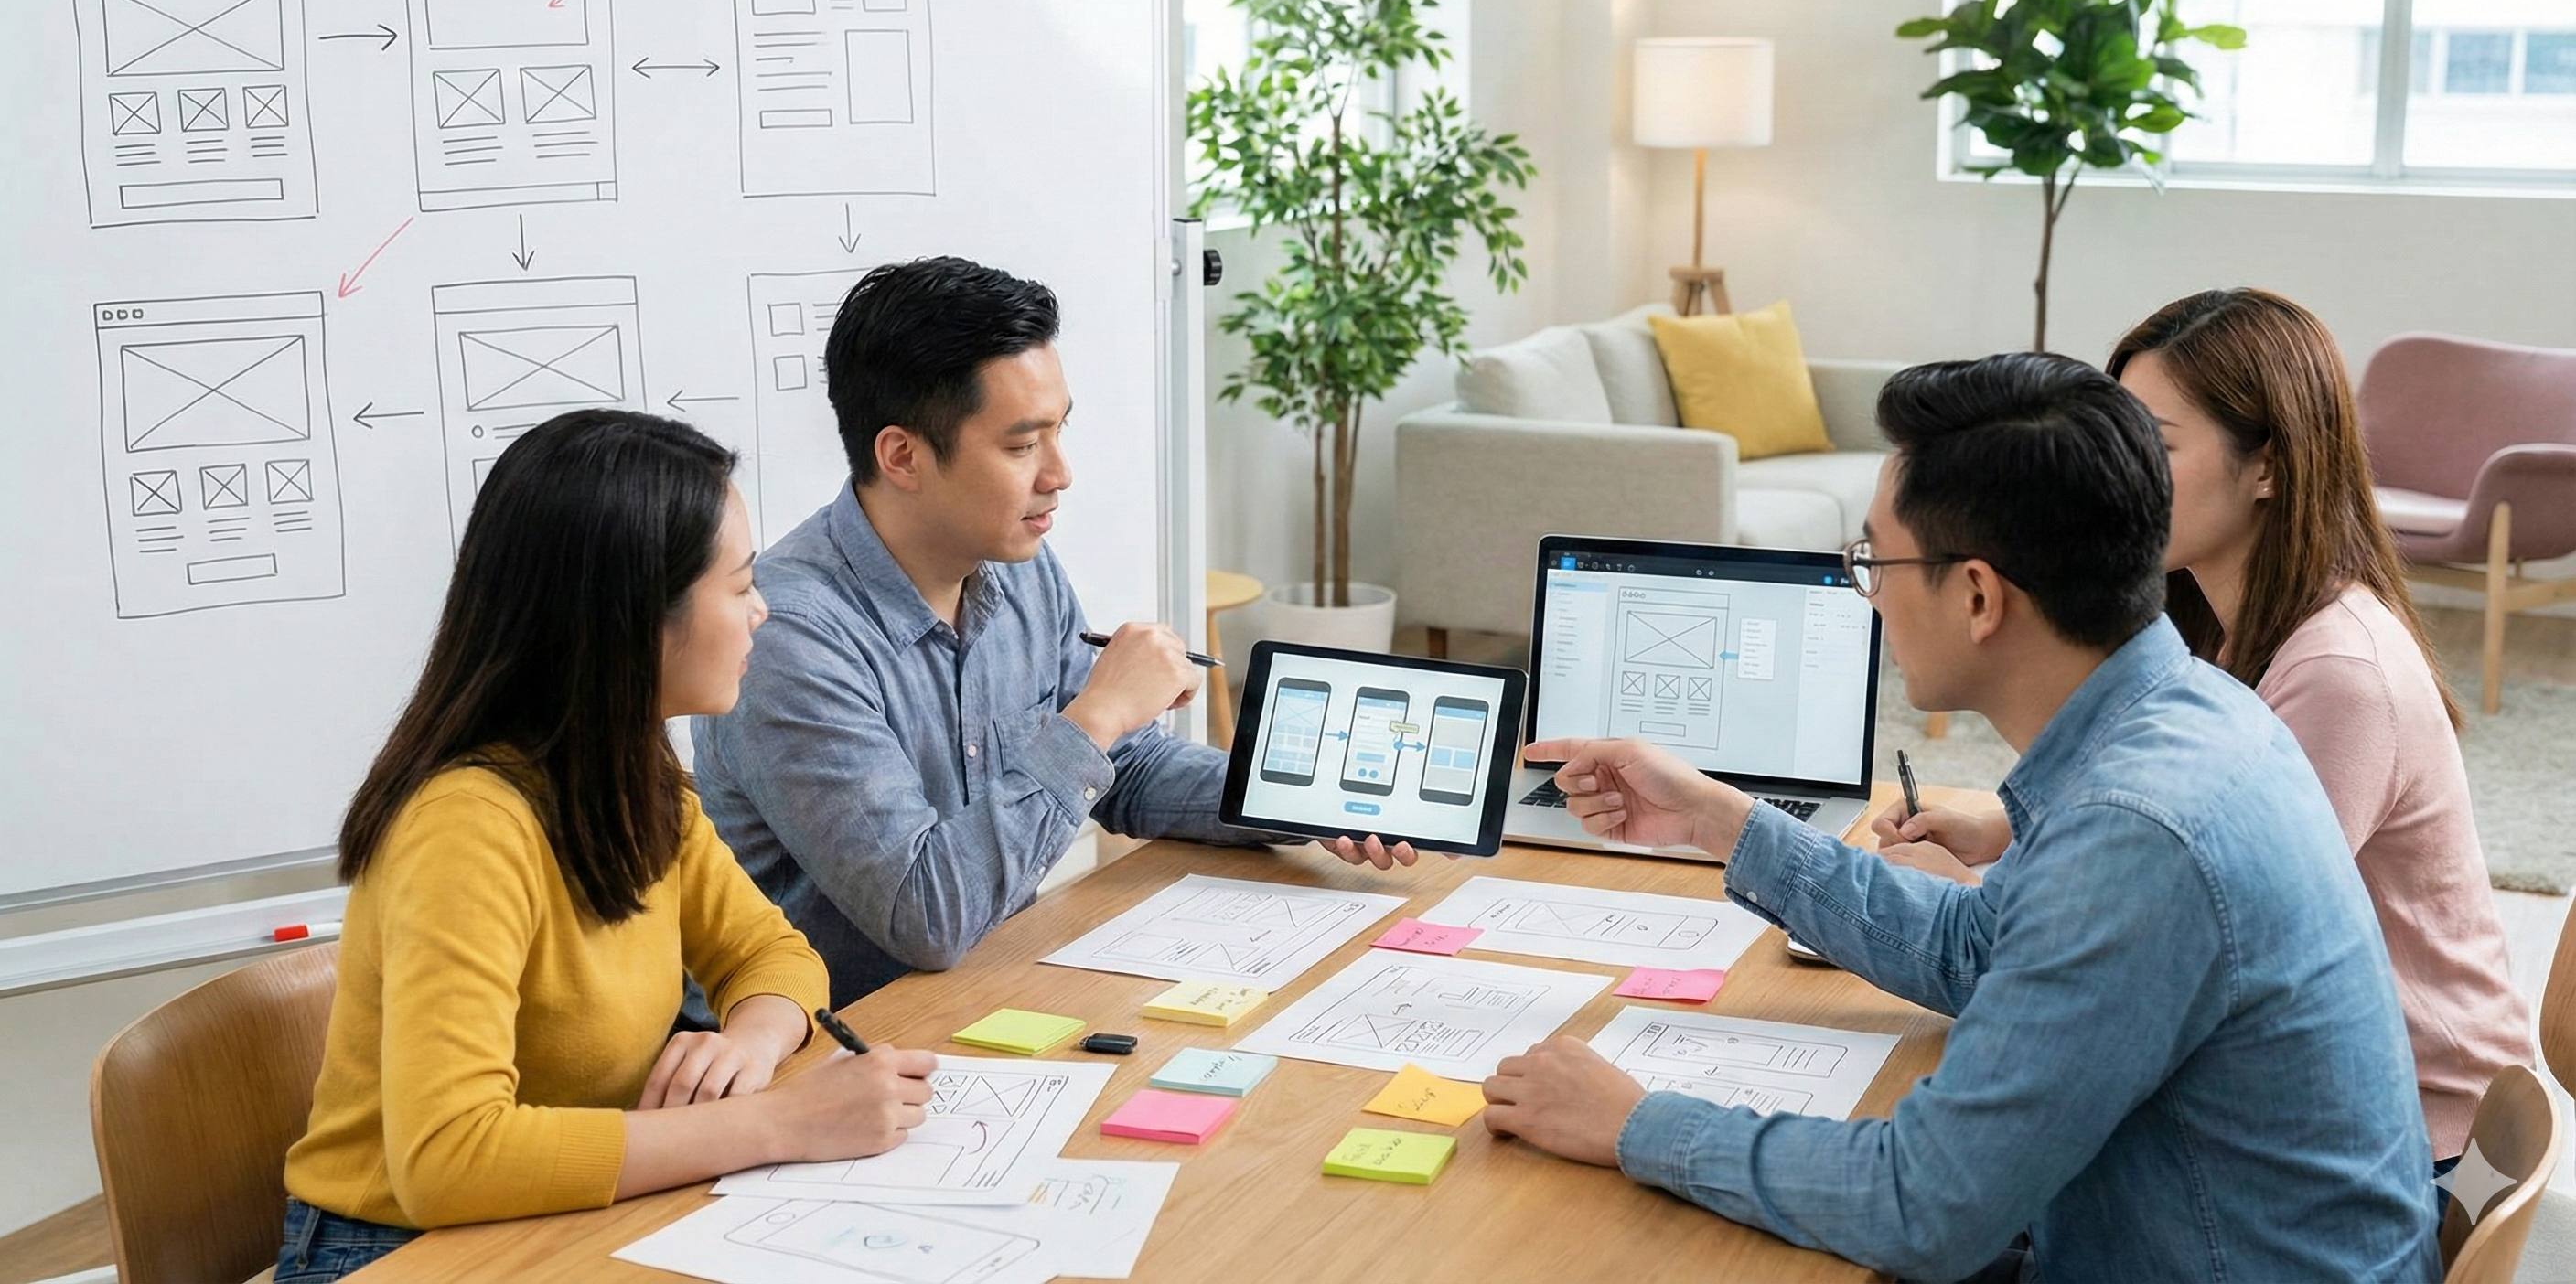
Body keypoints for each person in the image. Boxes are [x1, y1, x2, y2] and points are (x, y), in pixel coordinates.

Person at [1481, 354, 2436, 1282]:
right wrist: (1718, 820)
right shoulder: (2184, 709)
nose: (1870, 594)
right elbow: (1983, 949)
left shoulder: (2136, 828)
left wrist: (1634, 1124)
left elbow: (1923, 1207)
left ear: (1977, 595)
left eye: (1873, 561)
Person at [277, 412, 937, 1284]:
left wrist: (748, 1043)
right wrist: (779, 1124)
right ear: (636, 619)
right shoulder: (468, 828)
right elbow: (446, 1159)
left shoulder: (634, 775)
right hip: (397, 1250)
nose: (762, 612)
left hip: (562, 1210)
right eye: (738, 587)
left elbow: (773, 954)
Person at [1873, 288, 2528, 1168]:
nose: (2119, 471)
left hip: (2401, 1135)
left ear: (2268, 466)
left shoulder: (2339, 675)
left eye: (2154, 444)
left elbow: (2196, 920)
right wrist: (2002, 828)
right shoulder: (2222, 623)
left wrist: (1970, 898)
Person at [692, 257, 1407, 1006]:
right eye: (1021, 445)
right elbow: (926, 915)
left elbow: (1122, 770)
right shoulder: (788, 638)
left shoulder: (1018, 567)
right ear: (902, 456)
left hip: (1001, 990)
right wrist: (1096, 715)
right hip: (840, 1043)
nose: (1059, 473)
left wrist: (1297, 799)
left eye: (1059, 432)